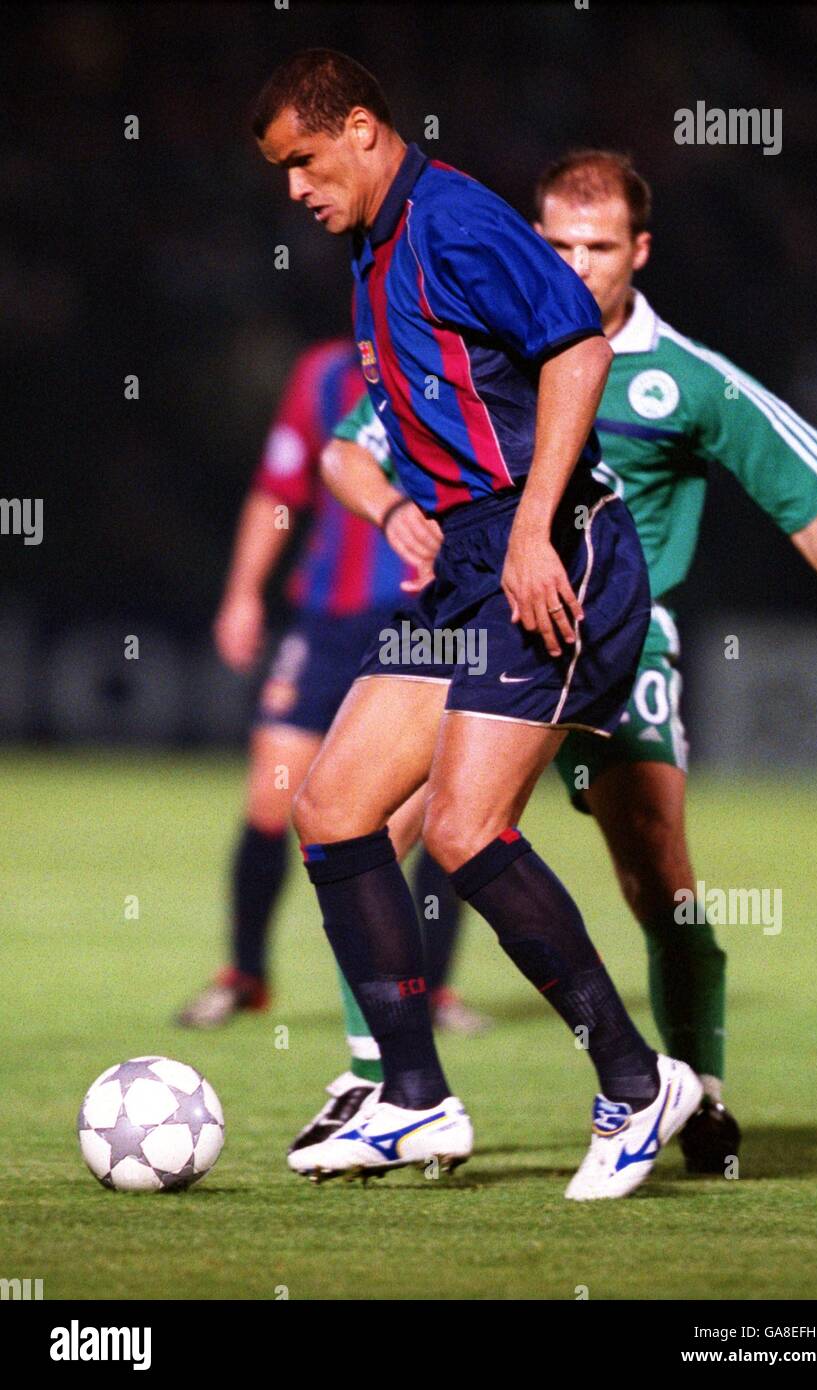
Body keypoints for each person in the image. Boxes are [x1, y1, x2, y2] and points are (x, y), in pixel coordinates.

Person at [312, 148, 817, 1176]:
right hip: (493, 614)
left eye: (596, 246)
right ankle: (380, 1077)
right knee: (374, 821)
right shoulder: (491, 341)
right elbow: (350, 443)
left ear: (637, 251)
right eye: (555, 242)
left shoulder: (689, 380)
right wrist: (394, 509)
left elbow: (814, 502)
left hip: (621, 633)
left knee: (654, 877)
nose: (573, 262)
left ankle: (689, 1088)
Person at [251, 48, 703, 1202]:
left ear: (358, 127)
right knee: (335, 804)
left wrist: (530, 527)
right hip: (464, 564)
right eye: (279, 173)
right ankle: (411, 1096)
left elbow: (576, 349)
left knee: (460, 828)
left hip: (550, 553)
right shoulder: (373, 249)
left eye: (302, 160)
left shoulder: (451, 220)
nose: (294, 188)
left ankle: (632, 1079)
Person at [176, 340, 491, 1124]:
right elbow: (277, 487)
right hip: (326, 620)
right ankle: (245, 974)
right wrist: (243, 594)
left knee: (423, 815)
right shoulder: (323, 376)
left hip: (424, 620)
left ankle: (432, 991)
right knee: (271, 797)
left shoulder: (462, 370)